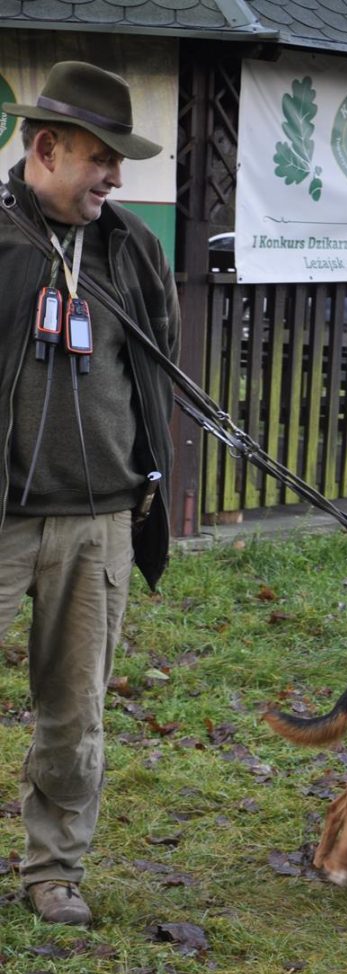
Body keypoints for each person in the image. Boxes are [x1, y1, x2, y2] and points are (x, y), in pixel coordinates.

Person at [0, 61, 180, 925]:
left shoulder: (132, 249)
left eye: (121, 163)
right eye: (102, 158)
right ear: (46, 147)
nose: (115, 177)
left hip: (99, 520)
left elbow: (159, 372)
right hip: (2, 519)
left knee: (75, 713)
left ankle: (53, 871)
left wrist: (151, 486)